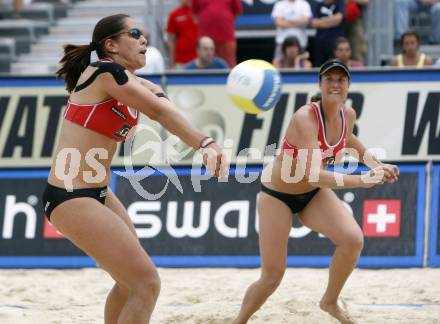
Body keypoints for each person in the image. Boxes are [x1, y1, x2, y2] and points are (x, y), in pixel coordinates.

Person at [46, 14, 227, 323]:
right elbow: (158, 109)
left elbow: (158, 98)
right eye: (134, 33)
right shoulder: (104, 72)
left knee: (130, 284)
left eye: (144, 34)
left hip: (98, 192)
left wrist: (163, 102)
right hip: (71, 195)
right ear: (111, 45)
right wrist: (205, 143)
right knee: (147, 284)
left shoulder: (126, 78)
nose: (144, 40)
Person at [232, 59, 399, 324]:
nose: (335, 84)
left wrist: (378, 164)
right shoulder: (305, 117)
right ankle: (238, 321)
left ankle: (329, 301)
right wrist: (362, 179)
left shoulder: (348, 114)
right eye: (329, 79)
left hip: (312, 194)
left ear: (348, 85)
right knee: (272, 276)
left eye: (340, 79)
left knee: (353, 239)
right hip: (277, 195)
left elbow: (349, 141)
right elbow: (313, 174)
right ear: (320, 84)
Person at [191, 0, 242, 67]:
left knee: (229, 66)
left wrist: (223, 20)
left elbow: (237, 12)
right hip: (205, 40)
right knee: (203, 65)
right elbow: (194, 13)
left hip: (226, 38)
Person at [311, 0, 346, 66]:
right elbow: (314, 23)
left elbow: (339, 19)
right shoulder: (318, 5)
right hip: (320, 44)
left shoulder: (339, 3)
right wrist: (333, 21)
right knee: (319, 67)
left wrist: (322, 20)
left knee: (336, 67)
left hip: (336, 44)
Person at [166, 0, 198, 69]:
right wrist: (172, 63)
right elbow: (171, 41)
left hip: (198, 62)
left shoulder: (199, 13)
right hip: (181, 62)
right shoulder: (174, 15)